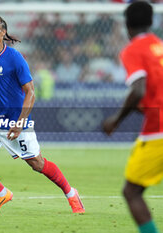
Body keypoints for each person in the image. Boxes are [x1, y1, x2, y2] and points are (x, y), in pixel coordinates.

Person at [0, 16, 85, 215]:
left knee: (37, 164)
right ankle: (1, 194)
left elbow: (30, 92)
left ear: (2, 33)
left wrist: (20, 122)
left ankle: (71, 193)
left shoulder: (15, 57)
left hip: (15, 121)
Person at [103, 2, 162, 233]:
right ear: (151, 22)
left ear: (126, 24)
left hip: (158, 129)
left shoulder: (132, 50)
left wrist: (115, 120)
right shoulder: (159, 46)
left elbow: (138, 89)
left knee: (131, 192)